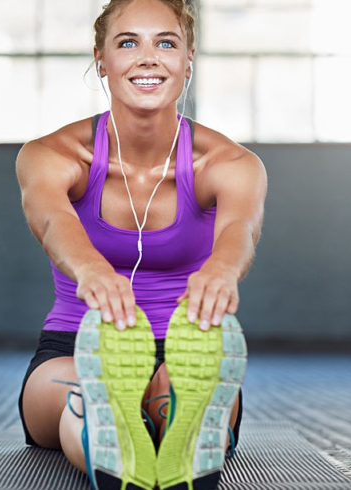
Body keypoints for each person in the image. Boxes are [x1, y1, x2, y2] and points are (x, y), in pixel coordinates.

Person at [15, 0, 267, 489]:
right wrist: (91, 269)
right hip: (79, 345)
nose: (148, 57)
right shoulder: (52, 154)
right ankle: (110, 437)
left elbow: (240, 227)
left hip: (187, 347)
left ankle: (186, 431)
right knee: (85, 392)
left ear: (188, 59)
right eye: (128, 42)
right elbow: (51, 219)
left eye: (165, 43)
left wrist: (221, 270)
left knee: (185, 390)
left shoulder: (230, 163)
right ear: (101, 60)